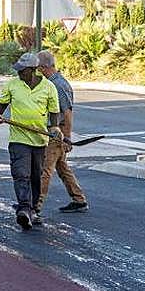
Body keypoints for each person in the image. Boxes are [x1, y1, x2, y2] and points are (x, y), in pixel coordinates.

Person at [0, 53, 62, 230]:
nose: (19, 73)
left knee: (36, 176)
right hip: (18, 138)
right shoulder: (12, 85)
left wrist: (54, 127)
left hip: (39, 140)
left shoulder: (48, 87)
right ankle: (24, 209)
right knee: (21, 174)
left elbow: (54, 112)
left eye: (23, 70)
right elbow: (0, 107)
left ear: (33, 70)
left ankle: (34, 210)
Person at [35, 51, 88, 216]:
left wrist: (67, 137)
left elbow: (67, 113)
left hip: (56, 134)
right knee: (62, 167)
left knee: (45, 170)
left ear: (44, 67)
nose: (35, 70)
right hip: (52, 133)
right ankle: (79, 199)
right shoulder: (51, 83)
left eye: (37, 67)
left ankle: (35, 205)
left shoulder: (58, 85)